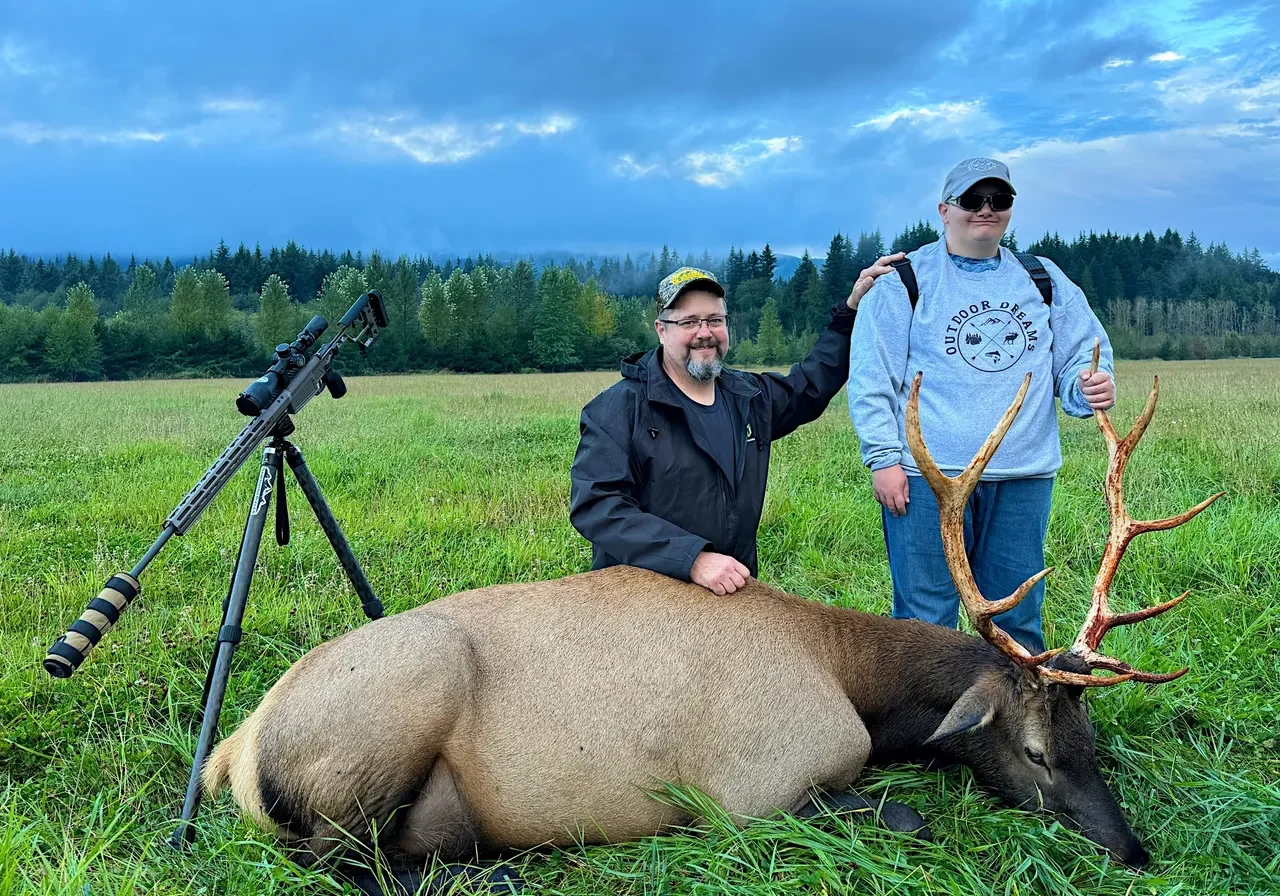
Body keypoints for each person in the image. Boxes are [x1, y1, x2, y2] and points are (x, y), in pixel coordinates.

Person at [847, 157, 1116, 653]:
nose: (986, 210)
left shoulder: (1043, 278)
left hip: (1023, 478)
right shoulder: (904, 282)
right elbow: (870, 377)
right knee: (925, 622)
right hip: (927, 479)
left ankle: (1019, 726)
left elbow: (1082, 354)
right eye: (973, 200)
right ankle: (928, 730)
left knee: (1017, 618)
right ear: (945, 209)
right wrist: (883, 460)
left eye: (999, 200)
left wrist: (1090, 388)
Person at [570, 258, 903, 595]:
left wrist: (850, 312)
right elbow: (598, 505)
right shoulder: (619, 408)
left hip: (730, 598)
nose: (704, 333)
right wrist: (693, 559)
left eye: (714, 320)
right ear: (661, 329)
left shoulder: (749, 398)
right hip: (644, 604)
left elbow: (809, 387)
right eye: (689, 322)